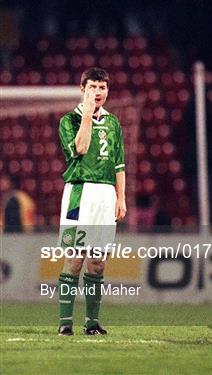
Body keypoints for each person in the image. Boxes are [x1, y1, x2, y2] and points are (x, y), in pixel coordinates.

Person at [56, 67, 127, 336]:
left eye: (103, 88)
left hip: (106, 196)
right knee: (74, 259)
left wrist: (121, 198)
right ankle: (65, 322)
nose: (98, 92)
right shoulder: (68, 121)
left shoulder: (113, 123)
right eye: (93, 87)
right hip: (79, 194)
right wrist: (87, 116)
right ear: (82, 88)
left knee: (98, 262)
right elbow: (81, 148)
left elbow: (119, 164)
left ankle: (91, 323)